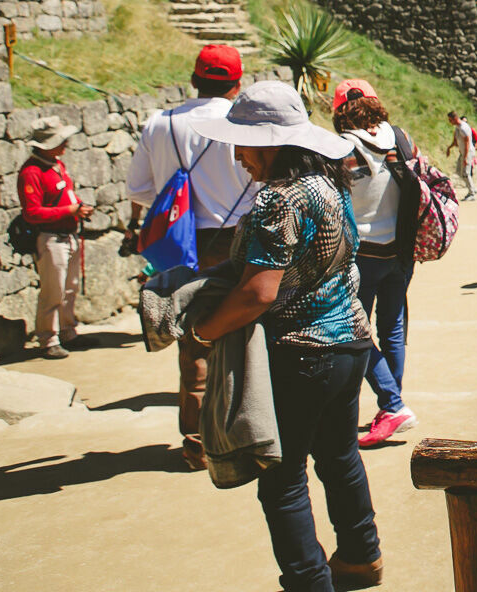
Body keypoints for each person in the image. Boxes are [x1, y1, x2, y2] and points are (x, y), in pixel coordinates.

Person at [188, 81, 383, 591]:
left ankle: (309, 582)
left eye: (242, 145)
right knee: (340, 456)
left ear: (268, 142)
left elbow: (258, 293)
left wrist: (202, 329)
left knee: (282, 478)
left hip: (301, 353)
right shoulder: (329, 184)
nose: (237, 158)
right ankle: (362, 558)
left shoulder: (279, 199)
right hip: (351, 343)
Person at [126, 44, 254, 470]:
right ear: (237, 83)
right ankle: (245, 430)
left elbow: (140, 190)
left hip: (181, 241)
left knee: (192, 336)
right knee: (245, 328)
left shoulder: (159, 124)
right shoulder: (244, 122)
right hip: (238, 236)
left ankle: (196, 439)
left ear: (194, 79)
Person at [330, 79, 419, 449]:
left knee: (353, 331)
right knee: (392, 330)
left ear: (339, 111)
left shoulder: (340, 148)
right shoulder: (400, 137)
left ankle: (393, 405)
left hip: (363, 254)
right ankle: (391, 406)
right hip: (401, 251)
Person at [18, 117, 94, 359]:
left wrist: (78, 208)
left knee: (70, 287)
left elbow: (65, 195)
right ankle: (48, 338)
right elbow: (32, 213)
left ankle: (67, 331)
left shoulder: (56, 165)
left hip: (68, 235)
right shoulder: (31, 172)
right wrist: (69, 211)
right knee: (53, 290)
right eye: (60, 141)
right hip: (50, 238)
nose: (65, 145)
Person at [445, 110, 477, 201]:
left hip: (467, 152)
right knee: (459, 171)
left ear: (455, 118)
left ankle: (472, 193)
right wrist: (449, 148)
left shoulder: (463, 128)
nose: (449, 122)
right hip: (462, 152)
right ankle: (472, 188)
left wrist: (466, 157)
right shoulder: (457, 128)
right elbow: (456, 141)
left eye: (450, 120)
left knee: (466, 173)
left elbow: (467, 143)